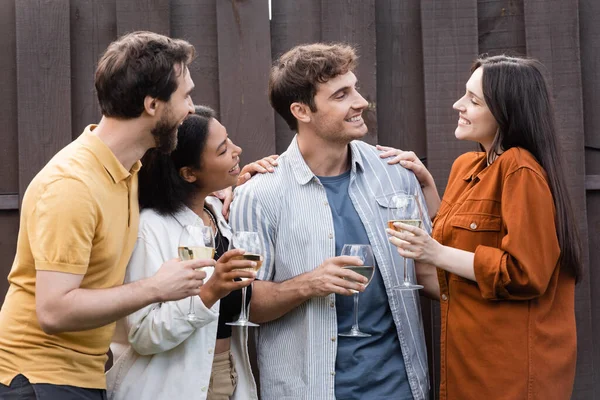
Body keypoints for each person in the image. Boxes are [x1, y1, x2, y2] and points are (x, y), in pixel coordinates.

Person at [0, 31, 214, 399]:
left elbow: (180, 182)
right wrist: (155, 289)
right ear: (152, 105)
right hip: (38, 380)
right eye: (186, 95)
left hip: (80, 378)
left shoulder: (125, 169)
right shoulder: (73, 184)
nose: (191, 109)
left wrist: (231, 183)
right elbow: (53, 311)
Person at [230, 43, 430, 400]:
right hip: (308, 391)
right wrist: (310, 283)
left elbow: (429, 272)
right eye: (341, 95)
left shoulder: (396, 175)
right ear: (301, 110)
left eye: (355, 88)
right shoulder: (259, 195)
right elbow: (245, 304)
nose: (360, 102)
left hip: (400, 389)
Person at [384, 55, 581, 400]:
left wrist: (434, 251)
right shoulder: (467, 165)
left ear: (507, 112)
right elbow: (459, 240)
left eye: (473, 100)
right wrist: (428, 187)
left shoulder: (520, 168)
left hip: (510, 371)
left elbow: (525, 273)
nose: (458, 104)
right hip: (467, 364)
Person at [106, 106, 278, 400]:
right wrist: (209, 292)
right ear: (188, 173)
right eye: (223, 150)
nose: (238, 150)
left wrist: (244, 184)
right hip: (171, 386)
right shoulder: (151, 229)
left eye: (230, 141)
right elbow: (143, 336)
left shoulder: (215, 215)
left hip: (226, 375)